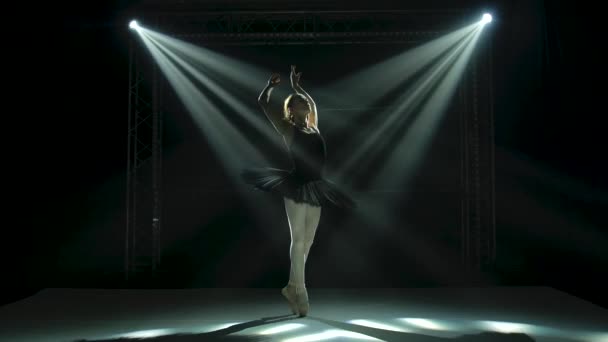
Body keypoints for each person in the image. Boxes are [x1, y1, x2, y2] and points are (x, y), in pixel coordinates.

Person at [242, 65, 355, 317]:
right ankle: (300, 291)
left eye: (305, 101)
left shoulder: (313, 127)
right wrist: (271, 87)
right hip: (295, 185)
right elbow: (262, 102)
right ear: (291, 110)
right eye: (300, 102)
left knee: (309, 240)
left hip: (317, 186)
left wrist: (298, 88)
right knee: (298, 239)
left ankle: (291, 286)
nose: (306, 104)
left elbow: (314, 106)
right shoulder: (288, 129)